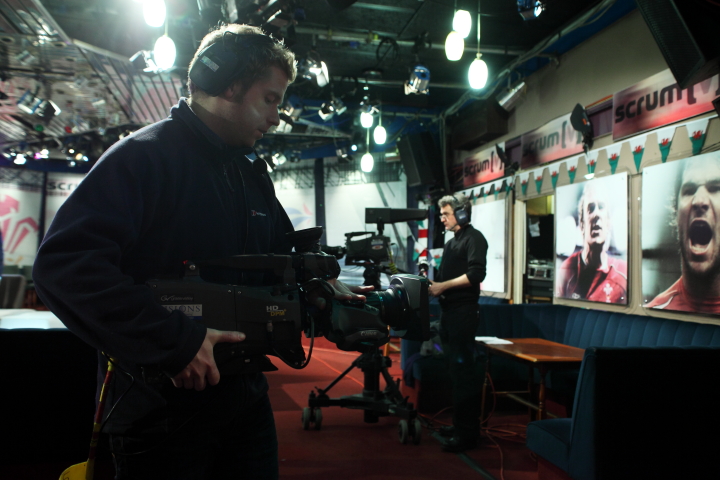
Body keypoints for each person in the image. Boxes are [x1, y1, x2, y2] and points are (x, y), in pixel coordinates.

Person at [33, 24, 367, 480]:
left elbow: (282, 259)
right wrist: (175, 342)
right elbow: (63, 269)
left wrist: (322, 287)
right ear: (231, 86)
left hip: (245, 399)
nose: (277, 117)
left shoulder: (250, 174)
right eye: (270, 99)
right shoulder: (142, 158)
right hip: (160, 411)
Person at [428, 193, 487, 453]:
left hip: (464, 315)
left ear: (461, 214)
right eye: (441, 214)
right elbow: (445, 279)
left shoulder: (475, 238)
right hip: (449, 314)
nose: (442, 219)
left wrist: (442, 286)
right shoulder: (452, 243)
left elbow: (476, 274)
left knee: (463, 375)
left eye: (446, 214)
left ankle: (467, 434)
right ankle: (459, 426)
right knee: (454, 372)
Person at [647, 156, 720, 312]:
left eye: (715, 188)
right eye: (689, 191)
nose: (699, 201)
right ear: (676, 214)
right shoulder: (656, 311)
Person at [556, 181, 627, 303]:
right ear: (582, 224)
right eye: (591, 208)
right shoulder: (566, 271)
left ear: (608, 222)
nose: (596, 214)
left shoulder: (623, 273)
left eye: (601, 207)